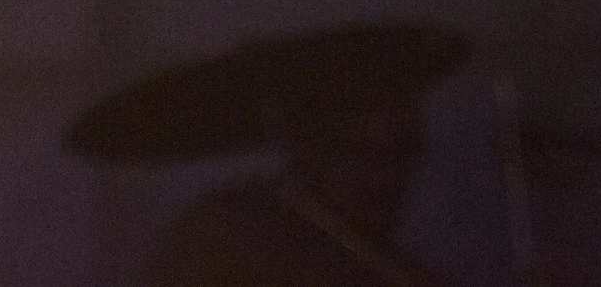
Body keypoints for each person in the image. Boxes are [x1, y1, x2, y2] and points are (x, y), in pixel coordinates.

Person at [144, 96, 451, 287]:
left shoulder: (384, 263)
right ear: (312, 149)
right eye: (358, 151)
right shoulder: (224, 239)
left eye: (402, 153)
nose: (386, 177)